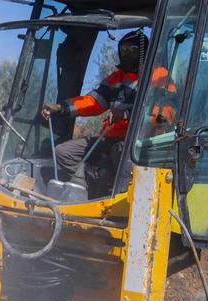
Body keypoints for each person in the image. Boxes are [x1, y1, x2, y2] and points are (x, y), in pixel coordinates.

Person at [41, 30, 175, 188]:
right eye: (123, 50)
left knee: (119, 151)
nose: (126, 54)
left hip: (139, 144)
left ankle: (116, 188)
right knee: (63, 152)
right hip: (109, 137)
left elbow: (164, 113)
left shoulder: (159, 76)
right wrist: (60, 107)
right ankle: (92, 185)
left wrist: (126, 114)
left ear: (143, 51)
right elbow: (93, 102)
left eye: (132, 50)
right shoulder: (116, 78)